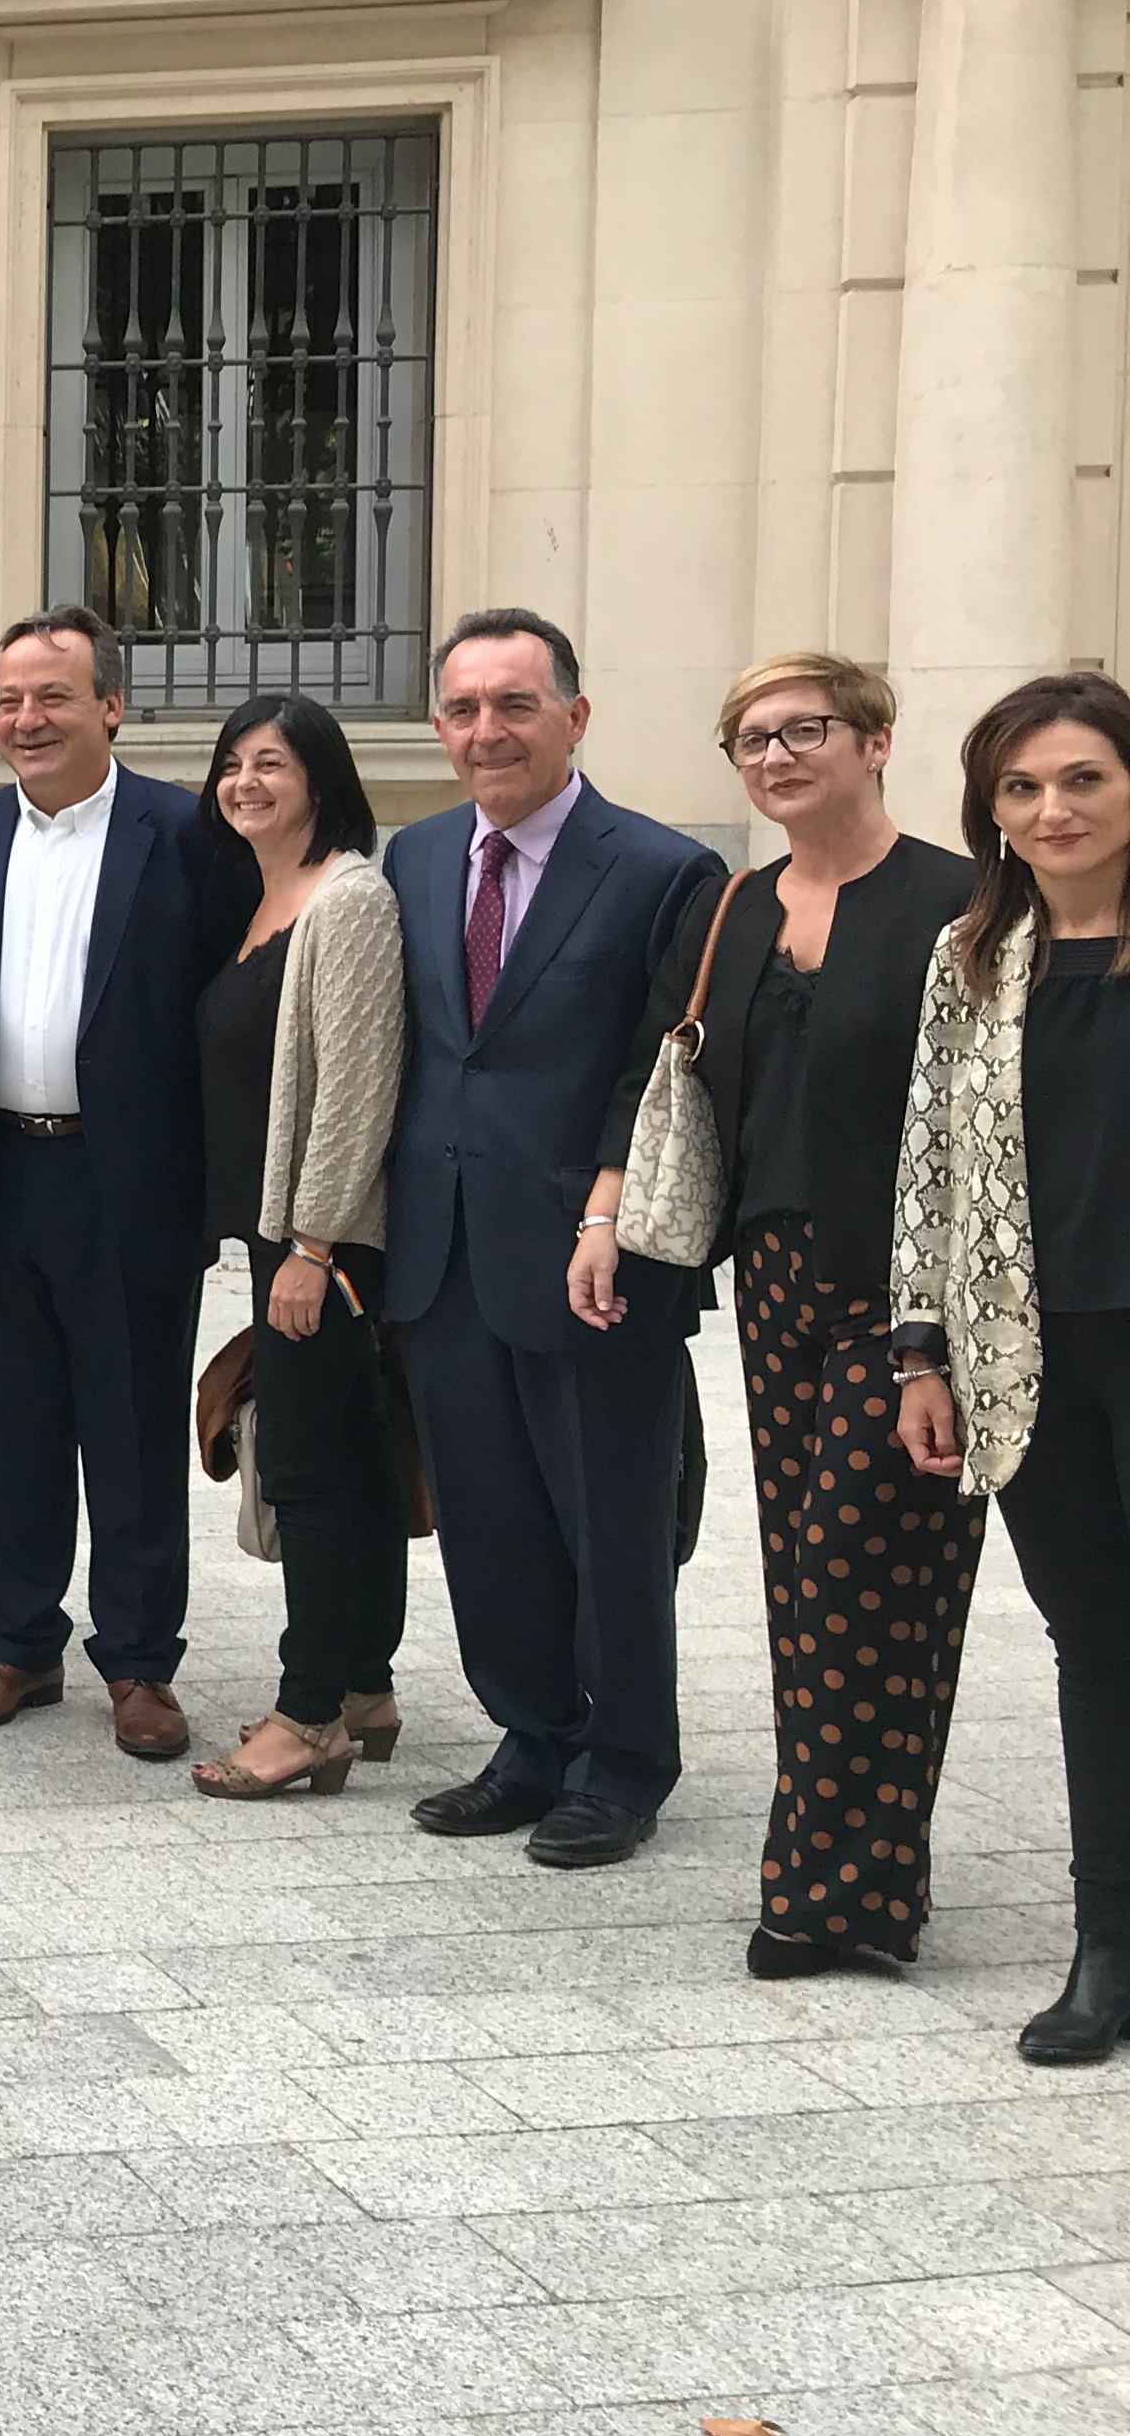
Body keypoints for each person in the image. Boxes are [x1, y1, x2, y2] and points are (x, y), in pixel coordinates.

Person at [577, 658, 977, 1956]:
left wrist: (944, 1326)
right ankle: (869, 1876)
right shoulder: (738, 905)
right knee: (810, 1591)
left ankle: (826, 1897)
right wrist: (607, 1214)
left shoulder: (957, 901)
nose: (776, 754)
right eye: (752, 738)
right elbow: (667, 1065)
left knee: (871, 1576)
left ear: (874, 740)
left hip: (909, 1291)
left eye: (805, 730)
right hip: (773, 1280)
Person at [385, 609, 727, 1868]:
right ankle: (531, 1737)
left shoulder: (661, 869)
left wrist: (607, 1207)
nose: (489, 730)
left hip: (600, 1258)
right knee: (487, 1517)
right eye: (465, 709)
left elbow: (664, 1067)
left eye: (516, 705)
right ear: (440, 727)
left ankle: (626, 1761)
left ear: (574, 719)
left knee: (612, 1523)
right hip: (447, 1251)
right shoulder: (417, 856)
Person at [0, 607, 239, 1761]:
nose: (27, 719)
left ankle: (141, 1662)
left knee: (133, 1426)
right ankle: (17, 1644)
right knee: (8, 1421)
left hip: (129, 1183)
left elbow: (226, 1014)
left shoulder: (188, 835)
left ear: (112, 704)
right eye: (10, 700)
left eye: (53, 697)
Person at [897, 672, 1130, 2066]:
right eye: (1023, 786)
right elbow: (930, 1161)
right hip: (1029, 1353)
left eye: (1083, 778)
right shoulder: (975, 955)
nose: (1052, 808)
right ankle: (1106, 1943)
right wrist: (921, 1349)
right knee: (1094, 1646)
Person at [187, 695, 413, 1800]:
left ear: (321, 780)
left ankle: (308, 1714)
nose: (244, 783)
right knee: (353, 1462)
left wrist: (313, 1248)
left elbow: (357, 1093)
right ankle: (362, 1686)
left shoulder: (351, 899)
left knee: (311, 1474)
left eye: (270, 764)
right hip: (274, 1235)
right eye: (232, 764)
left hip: (319, 1243)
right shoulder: (252, 894)